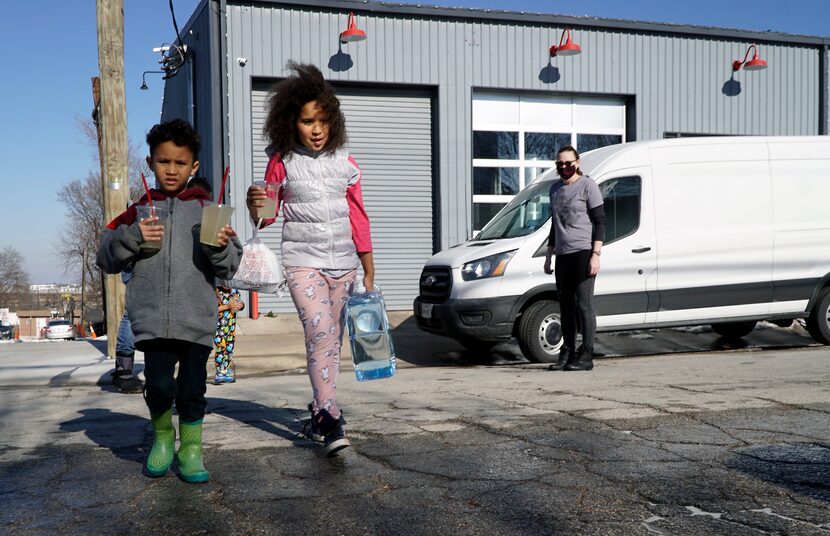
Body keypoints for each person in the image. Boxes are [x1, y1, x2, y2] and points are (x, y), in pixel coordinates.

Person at [97, 119, 242, 483]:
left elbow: (232, 266)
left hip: (196, 319)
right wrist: (133, 236)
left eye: (180, 163)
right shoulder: (138, 211)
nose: (172, 170)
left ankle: (191, 449)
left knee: (193, 388)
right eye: (164, 162)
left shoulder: (208, 210)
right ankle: (163, 438)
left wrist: (219, 247)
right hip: (153, 320)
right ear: (150, 163)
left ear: (194, 167)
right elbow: (105, 257)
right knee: (159, 385)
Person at [246, 62, 375, 457]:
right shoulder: (282, 161)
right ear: (291, 122)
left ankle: (322, 408)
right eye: (306, 121)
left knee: (332, 341)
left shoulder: (346, 163)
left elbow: (358, 216)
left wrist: (369, 268)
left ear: (332, 120)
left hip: (345, 265)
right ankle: (329, 416)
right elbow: (265, 216)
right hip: (302, 261)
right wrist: (256, 203)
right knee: (319, 332)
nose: (316, 129)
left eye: (322, 120)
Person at [543, 145, 605, 372]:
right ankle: (567, 352)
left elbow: (600, 222)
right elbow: (555, 225)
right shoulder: (554, 190)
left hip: (583, 253)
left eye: (568, 163)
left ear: (577, 163)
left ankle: (586, 355)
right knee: (566, 308)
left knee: (583, 304)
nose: (564, 167)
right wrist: (549, 255)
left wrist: (595, 255)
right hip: (563, 256)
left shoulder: (588, 185)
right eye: (560, 164)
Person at [111, 268, 144, 394]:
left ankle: (123, 369)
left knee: (134, 311)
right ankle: (123, 371)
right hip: (140, 262)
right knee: (134, 311)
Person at [213, 285, 244, 384]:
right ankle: (219, 371)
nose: (227, 284)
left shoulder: (234, 292)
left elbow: (240, 303)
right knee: (221, 348)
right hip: (219, 328)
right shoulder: (216, 293)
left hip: (231, 328)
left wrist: (241, 305)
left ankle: (226, 370)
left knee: (229, 350)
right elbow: (213, 310)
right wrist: (227, 306)